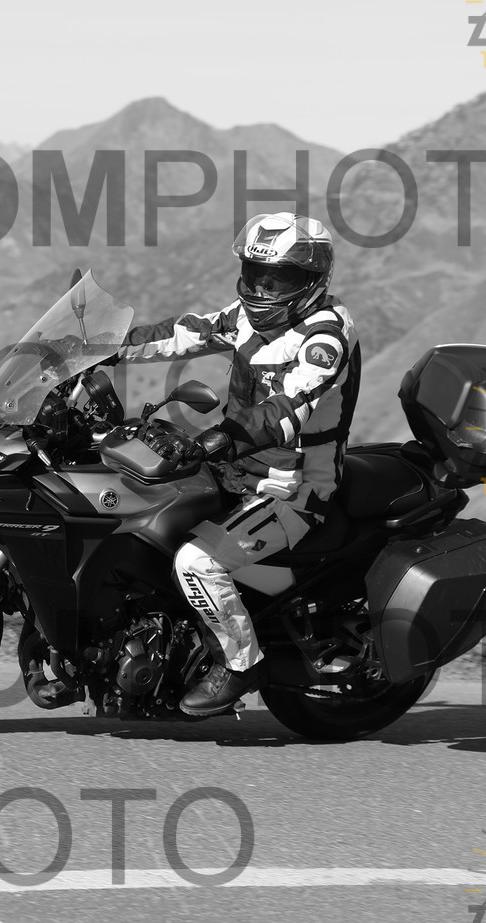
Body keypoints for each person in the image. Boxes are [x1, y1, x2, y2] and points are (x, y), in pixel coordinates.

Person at [115, 212, 360, 714]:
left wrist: (221, 438)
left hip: (291, 488)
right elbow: (185, 333)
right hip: (236, 469)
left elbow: (287, 408)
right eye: (255, 274)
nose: (263, 289)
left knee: (197, 561)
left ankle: (241, 664)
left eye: (280, 279)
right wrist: (103, 348)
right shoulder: (247, 315)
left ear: (312, 281)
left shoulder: (325, 338)